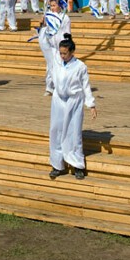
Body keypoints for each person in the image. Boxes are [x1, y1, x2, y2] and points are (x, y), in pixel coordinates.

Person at [39, 33, 97, 180]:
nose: (62, 55)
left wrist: (91, 104)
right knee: (56, 130)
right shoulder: (56, 61)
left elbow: (85, 86)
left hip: (74, 100)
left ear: (72, 52)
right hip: (58, 99)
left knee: (74, 131)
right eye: (61, 52)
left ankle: (77, 164)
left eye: (65, 53)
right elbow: (44, 45)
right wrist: (44, 29)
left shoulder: (80, 66)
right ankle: (57, 164)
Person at [39, 0, 72, 96]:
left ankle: (61, 87)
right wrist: (42, 23)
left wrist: (67, 44)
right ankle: (49, 88)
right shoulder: (48, 16)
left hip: (61, 47)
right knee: (50, 67)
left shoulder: (65, 18)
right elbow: (43, 29)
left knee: (61, 67)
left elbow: (67, 31)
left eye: (54, 5)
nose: (52, 8)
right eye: (51, 6)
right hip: (51, 46)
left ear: (60, 6)